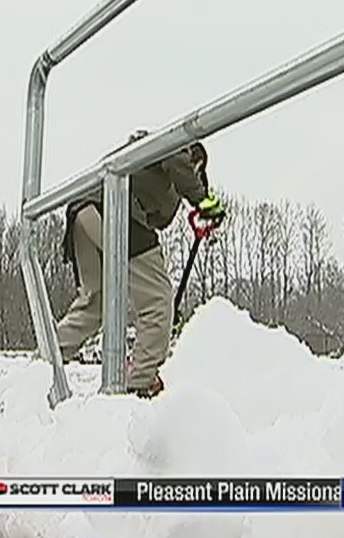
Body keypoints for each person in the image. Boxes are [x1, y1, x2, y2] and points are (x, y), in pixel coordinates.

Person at [57, 130, 225, 398]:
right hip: (116, 209)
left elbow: (157, 220)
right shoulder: (172, 145)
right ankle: (139, 382)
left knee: (95, 303)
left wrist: (195, 204)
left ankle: (42, 366)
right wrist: (202, 200)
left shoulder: (149, 171)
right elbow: (177, 163)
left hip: (85, 211)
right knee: (157, 301)